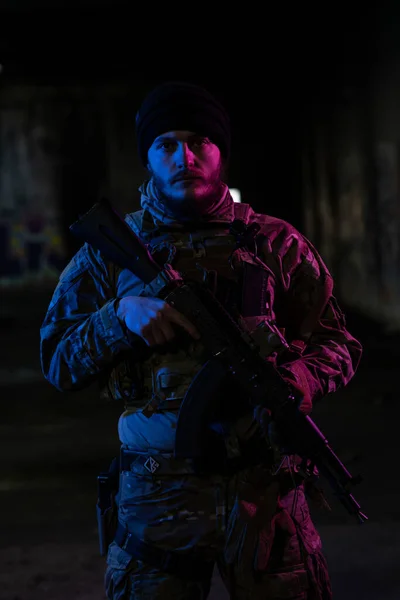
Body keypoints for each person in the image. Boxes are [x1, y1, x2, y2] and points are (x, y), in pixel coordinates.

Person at [40, 81, 363, 600]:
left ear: (221, 153)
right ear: (148, 157)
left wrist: (300, 376)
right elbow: (57, 361)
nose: (184, 157)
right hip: (157, 496)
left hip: (267, 492)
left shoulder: (275, 244)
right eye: (166, 144)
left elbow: (339, 342)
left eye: (199, 142)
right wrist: (119, 318)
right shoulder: (109, 253)